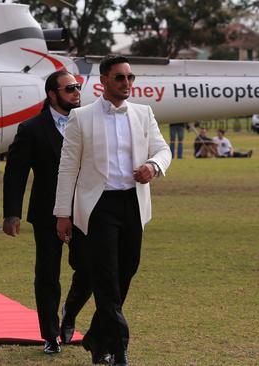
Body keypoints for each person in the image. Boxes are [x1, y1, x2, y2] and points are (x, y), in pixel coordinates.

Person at [54, 55, 172, 366]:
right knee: (105, 278)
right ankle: (118, 349)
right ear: (103, 81)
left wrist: (153, 165)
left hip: (133, 204)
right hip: (98, 206)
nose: (127, 83)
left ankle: (95, 338)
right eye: (120, 77)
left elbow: (163, 149)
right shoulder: (81, 117)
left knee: (126, 273)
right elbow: (67, 168)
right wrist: (62, 214)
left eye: (130, 78)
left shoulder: (144, 113)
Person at [3, 70, 92, 355]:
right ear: (52, 94)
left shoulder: (89, 122)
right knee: (47, 274)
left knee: (90, 268)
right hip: (46, 212)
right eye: (69, 89)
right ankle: (50, 334)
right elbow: (15, 173)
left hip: (86, 210)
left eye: (78, 87)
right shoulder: (31, 128)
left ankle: (70, 312)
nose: (77, 93)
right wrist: (11, 213)